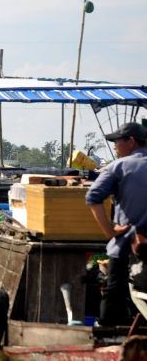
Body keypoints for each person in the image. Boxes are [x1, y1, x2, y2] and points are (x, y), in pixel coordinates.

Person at [86, 122, 147, 326]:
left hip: (125, 246)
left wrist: (109, 231)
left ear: (131, 141)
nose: (114, 147)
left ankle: (109, 339)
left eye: (116, 142)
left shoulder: (118, 167)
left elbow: (93, 197)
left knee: (113, 296)